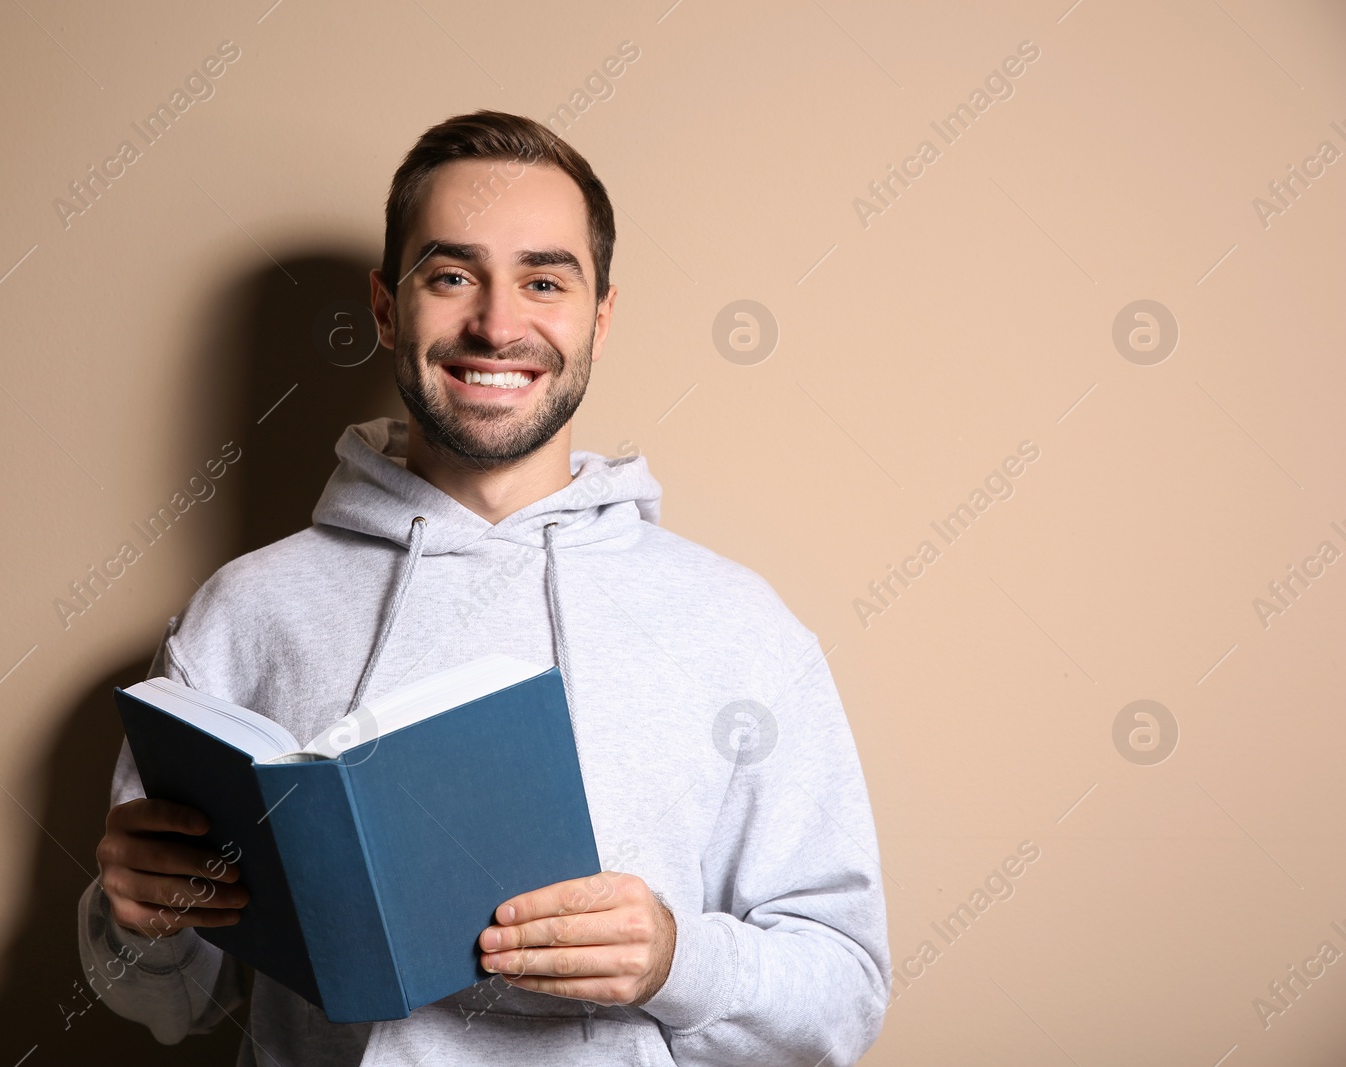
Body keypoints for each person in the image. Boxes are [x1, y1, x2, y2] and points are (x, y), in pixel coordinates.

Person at [78, 109, 889, 1066]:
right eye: (452, 275)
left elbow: (845, 998)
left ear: (601, 316)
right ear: (387, 308)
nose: (498, 324)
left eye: (544, 280)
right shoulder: (246, 611)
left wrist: (678, 958)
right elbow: (165, 1004)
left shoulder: (738, 625)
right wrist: (134, 920)